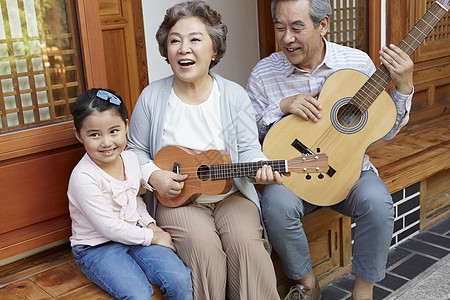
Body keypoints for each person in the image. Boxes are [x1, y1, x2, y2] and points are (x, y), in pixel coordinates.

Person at [246, 0, 414, 299]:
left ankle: (363, 293)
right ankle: (308, 285)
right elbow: (248, 137)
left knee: (377, 201)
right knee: (275, 205)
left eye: (297, 27)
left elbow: (386, 131)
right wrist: (280, 107)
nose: (287, 38)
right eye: (280, 27)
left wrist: (403, 87)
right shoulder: (263, 73)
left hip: (349, 173)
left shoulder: (357, 63)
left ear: (323, 25)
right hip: (294, 176)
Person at [127, 1, 283, 299]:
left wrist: (261, 166)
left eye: (195, 39)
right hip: (178, 202)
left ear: (214, 51)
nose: (183, 48)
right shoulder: (152, 97)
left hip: (231, 194)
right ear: (166, 50)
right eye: (175, 40)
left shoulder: (234, 95)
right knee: (204, 250)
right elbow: (134, 151)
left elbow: (250, 148)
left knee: (246, 246)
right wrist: (154, 176)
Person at [68, 88, 193, 300]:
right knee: (138, 294)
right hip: (98, 246)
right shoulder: (83, 178)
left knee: (179, 278)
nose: (106, 142)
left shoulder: (131, 159)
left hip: (135, 231)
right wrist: (152, 237)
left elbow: (133, 200)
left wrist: (150, 224)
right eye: (94, 135)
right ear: (79, 135)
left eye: (114, 131)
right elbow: (109, 228)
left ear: (126, 126)